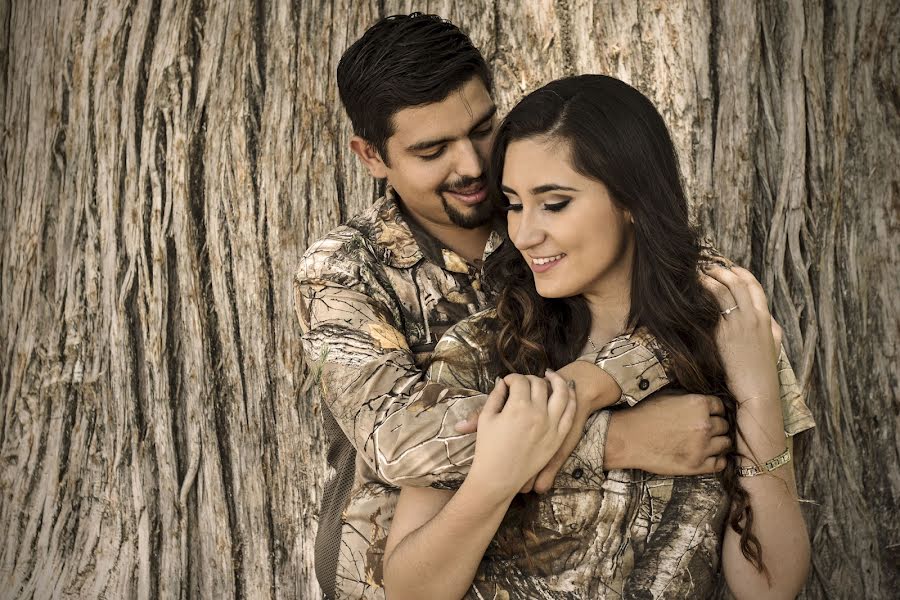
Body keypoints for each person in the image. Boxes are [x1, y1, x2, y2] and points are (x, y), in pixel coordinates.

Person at [295, 15, 741, 599]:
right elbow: (400, 441)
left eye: (482, 128)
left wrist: (597, 382)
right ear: (372, 155)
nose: (474, 166)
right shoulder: (341, 273)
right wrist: (614, 439)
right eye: (433, 150)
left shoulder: (548, 211)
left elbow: (675, 297)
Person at [383, 75, 815, 599]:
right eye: (514, 204)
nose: (523, 233)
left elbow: (770, 590)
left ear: (632, 199)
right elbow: (409, 590)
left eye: (555, 203)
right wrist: (498, 476)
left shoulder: (729, 335)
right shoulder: (483, 349)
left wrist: (757, 393)